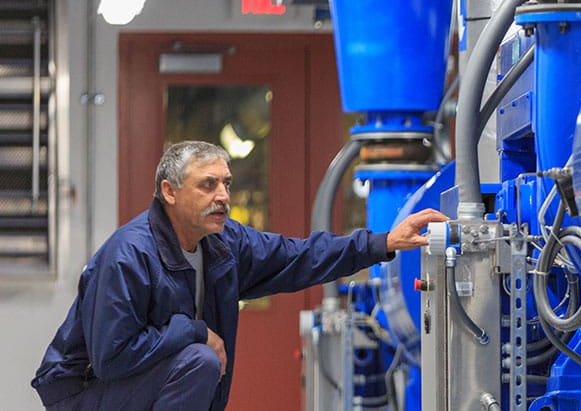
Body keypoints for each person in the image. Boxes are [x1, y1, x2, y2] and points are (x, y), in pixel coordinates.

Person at [31, 140, 448, 410]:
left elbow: (298, 256)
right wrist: (193, 331)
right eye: (208, 185)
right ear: (169, 192)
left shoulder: (223, 243)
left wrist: (384, 243)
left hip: (126, 385)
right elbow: (112, 357)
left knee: (199, 361)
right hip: (81, 393)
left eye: (226, 184)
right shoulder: (129, 256)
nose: (223, 197)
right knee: (198, 360)